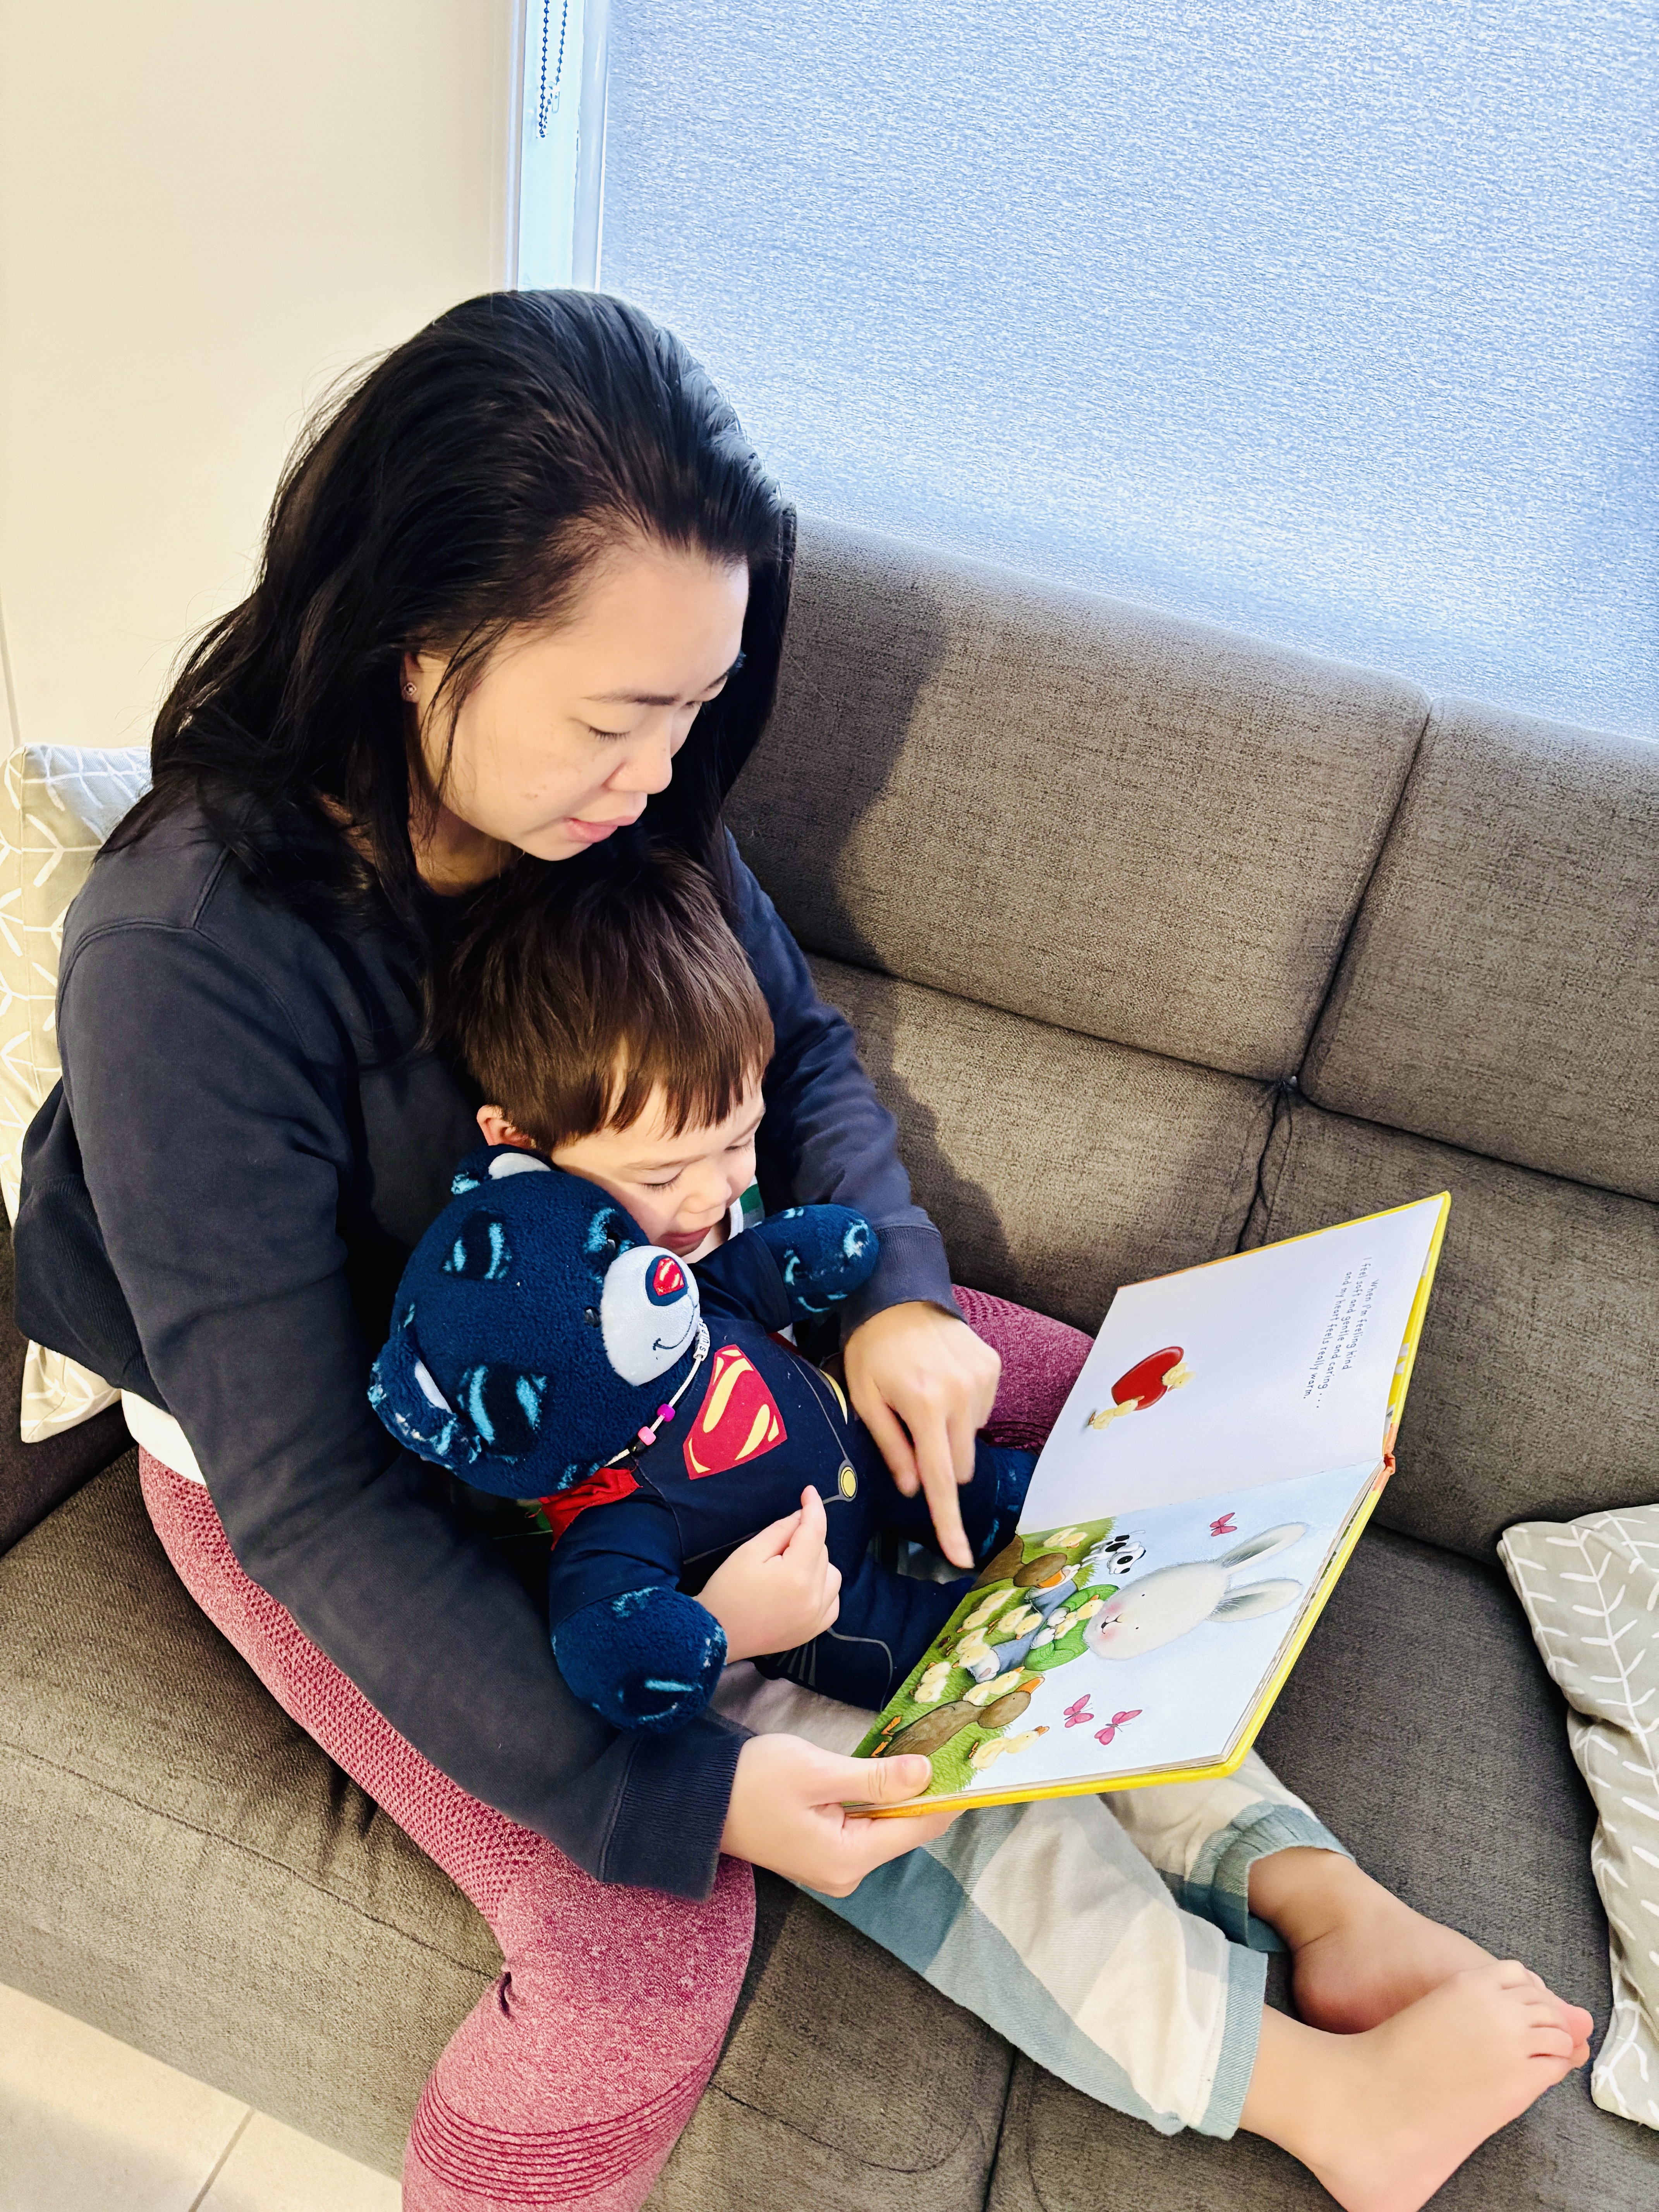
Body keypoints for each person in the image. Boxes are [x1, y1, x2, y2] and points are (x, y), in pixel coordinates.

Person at [13, 290, 1591, 2212]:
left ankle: (1300, 1887)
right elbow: (319, 1503)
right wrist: (682, 1788)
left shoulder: (618, 816)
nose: (668, 775)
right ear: (421, 641)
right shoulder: (194, 961)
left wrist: (909, 1308)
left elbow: (806, 1055)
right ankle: (1281, 2070)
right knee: (645, 1946)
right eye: (620, 716)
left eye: (696, 709)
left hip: (695, 1325)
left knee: (1088, 1419)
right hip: (403, 1462)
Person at [372, 841, 1037, 1729]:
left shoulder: (725, 1192)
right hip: (769, 1590)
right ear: (520, 1148)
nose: (714, 1192)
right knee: (957, 1677)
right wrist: (727, 1623)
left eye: (739, 1140)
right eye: (660, 1175)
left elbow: (793, 1253)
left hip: (861, 1446)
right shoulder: (534, 1321)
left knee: (1045, 1416)